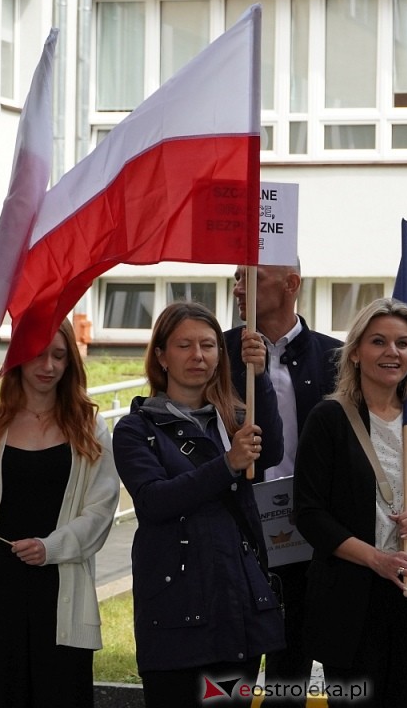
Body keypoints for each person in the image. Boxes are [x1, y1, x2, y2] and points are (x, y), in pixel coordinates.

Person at [294, 297, 407, 707]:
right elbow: (309, 513)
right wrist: (376, 559)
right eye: (378, 341)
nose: (392, 352)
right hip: (352, 600)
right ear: (355, 352)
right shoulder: (329, 419)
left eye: (403, 343)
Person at [112, 301, 285, 708]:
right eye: (184, 345)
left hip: (235, 607)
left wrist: (259, 378)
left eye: (209, 345)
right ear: (161, 356)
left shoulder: (235, 419)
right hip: (174, 612)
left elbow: (271, 450)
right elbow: (155, 501)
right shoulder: (137, 428)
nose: (198, 355)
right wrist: (226, 464)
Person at [0, 318, 121, 708]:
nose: (48, 367)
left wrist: (51, 547)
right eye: (37, 356)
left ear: (70, 364)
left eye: (59, 356)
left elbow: (101, 510)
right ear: (18, 360)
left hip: (62, 589)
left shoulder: (90, 427)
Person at [225, 263, 342, 704]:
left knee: (288, 674)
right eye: (235, 278)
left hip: (307, 539)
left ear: (291, 284)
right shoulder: (217, 352)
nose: (238, 288)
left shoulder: (336, 358)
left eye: (249, 278)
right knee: (228, 678)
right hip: (237, 535)